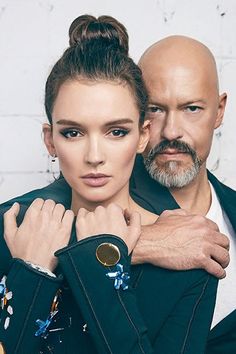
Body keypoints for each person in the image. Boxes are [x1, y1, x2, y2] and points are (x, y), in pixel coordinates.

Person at [0, 16, 218, 354]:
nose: (94, 155)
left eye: (116, 131)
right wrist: (31, 272)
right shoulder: (10, 230)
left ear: (143, 136)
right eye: (73, 132)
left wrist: (101, 261)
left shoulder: (188, 260)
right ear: (50, 140)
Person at [131, 35, 236, 354]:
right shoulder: (98, 194)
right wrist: (141, 242)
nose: (172, 131)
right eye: (155, 109)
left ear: (219, 110)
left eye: (191, 108)